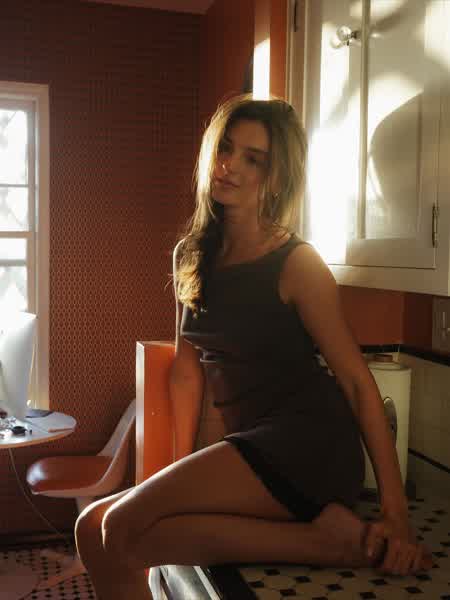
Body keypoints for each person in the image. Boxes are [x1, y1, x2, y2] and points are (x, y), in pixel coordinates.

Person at [75, 95, 432, 599]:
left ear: (277, 177)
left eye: (253, 159)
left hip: (308, 446)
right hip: (250, 449)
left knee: (119, 526)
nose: (229, 165)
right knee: (92, 527)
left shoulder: (297, 264)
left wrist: (396, 515)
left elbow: (356, 382)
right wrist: (176, 472)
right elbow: (188, 373)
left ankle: (333, 544)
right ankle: (328, 541)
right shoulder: (191, 255)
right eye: (225, 148)